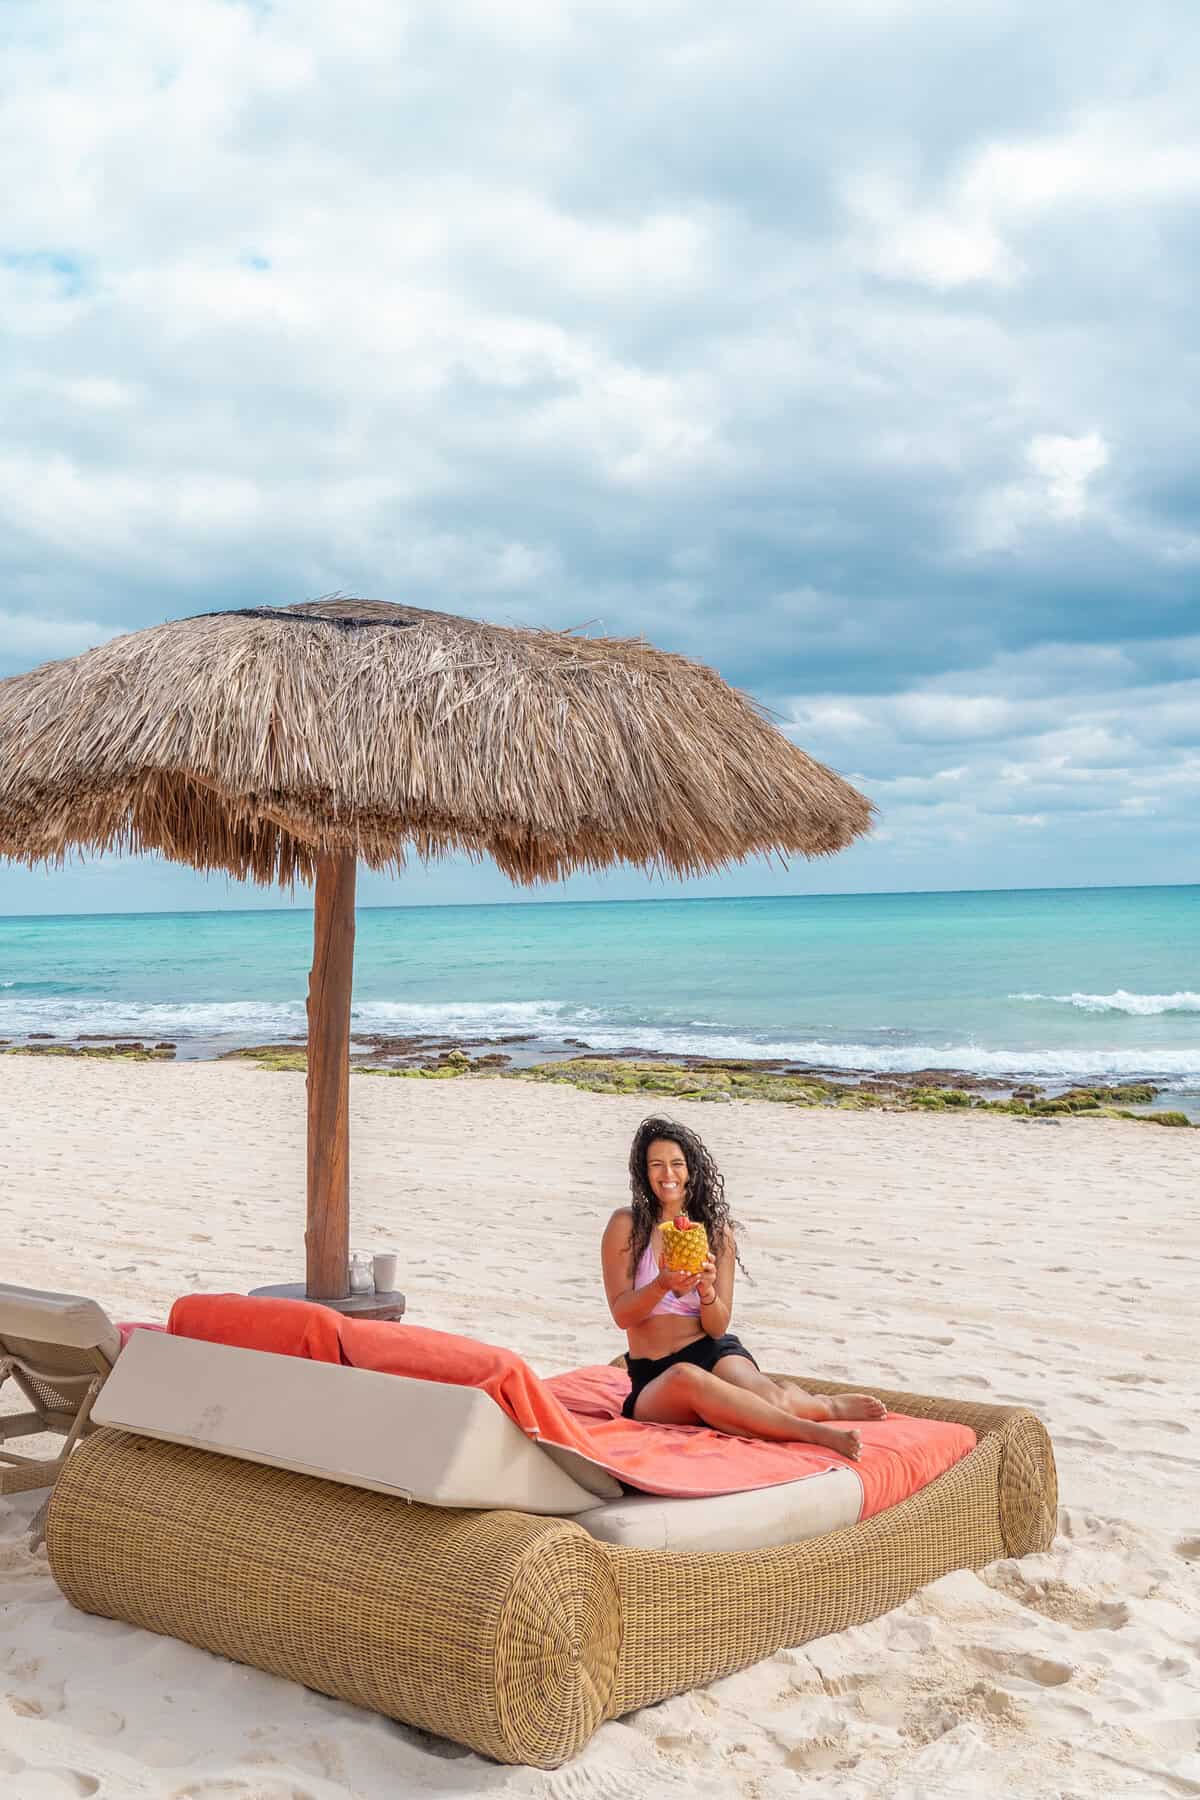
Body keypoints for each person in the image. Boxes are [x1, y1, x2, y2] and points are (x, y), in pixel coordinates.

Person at [601, 1115, 886, 1460]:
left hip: (709, 1349)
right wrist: (662, 1284)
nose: (668, 1174)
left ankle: (825, 1406)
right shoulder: (626, 1226)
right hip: (654, 1375)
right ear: (643, 1172)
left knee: (772, 1400)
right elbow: (622, 1315)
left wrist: (707, 1292)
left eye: (677, 1163)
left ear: (690, 1170)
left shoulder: (717, 1234)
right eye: (656, 1164)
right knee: (685, 1377)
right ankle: (815, 1432)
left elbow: (718, 1326)